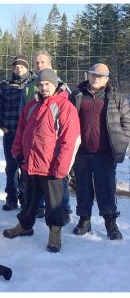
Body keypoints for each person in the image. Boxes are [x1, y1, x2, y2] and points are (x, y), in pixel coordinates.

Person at [3, 68, 80, 253]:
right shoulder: (31, 107)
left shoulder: (64, 106)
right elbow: (21, 132)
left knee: (54, 204)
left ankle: (55, 233)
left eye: (47, 84)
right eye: (41, 84)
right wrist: (18, 152)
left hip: (52, 167)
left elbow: (69, 140)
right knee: (29, 200)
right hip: (30, 163)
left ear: (55, 85)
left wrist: (61, 167)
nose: (44, 87)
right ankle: (25, 226)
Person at [70, 63, 130, 240]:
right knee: (82, 187)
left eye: (100, 76)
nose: (96, 78)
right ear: (88, 75)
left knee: (106, 188)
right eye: (93, 74)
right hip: (81, 152)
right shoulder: (76, 96)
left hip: (105, 153)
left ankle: (110, 222)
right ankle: (84, 219)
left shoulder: (117, 98)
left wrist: (122, 141)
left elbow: (127, 121)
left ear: (106, 79)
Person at [22, 50, 72, 222]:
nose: (39, 65)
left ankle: (59, 221)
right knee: (31, 194)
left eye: (42, 62)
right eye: (36, 63)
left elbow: (68, 136)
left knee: (56, 193)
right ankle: (28, 222)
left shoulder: (63, 98)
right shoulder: (30, 94)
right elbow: (24, 124)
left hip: (52, 158)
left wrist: (63, 164)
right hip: (33, 155)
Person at [0, 55, 34, 211]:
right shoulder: (5, 85)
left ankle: (25, 198)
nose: (19, 70)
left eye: (22, 67)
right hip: (11, 132)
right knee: (11, 167)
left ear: (27, 67)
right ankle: (11, 198)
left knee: (26, 167)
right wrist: (3, 127)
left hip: (29, 134)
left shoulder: (35, 83)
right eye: (16, 67)